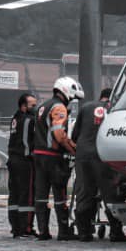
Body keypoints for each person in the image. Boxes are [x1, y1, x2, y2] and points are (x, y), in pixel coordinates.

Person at [72, 87, 126, 242]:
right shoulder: (115, 110)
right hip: (103, 156)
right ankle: (116, 232)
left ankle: (84, 232)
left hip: (83, 156)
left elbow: (74, 135)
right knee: (110, 193)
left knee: (84, 192)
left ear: (101, 96)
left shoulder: (85, 107)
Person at [31, 77, 82, 240]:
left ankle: (43, 231)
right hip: (53, 157)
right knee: (60, 194)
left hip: (38, 155)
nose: (72, 100)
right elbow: (59, 134)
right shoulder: (59, 107)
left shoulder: (43, 106)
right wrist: (73, 149)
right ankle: (63, 231)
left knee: (41, 195)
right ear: (66, 91)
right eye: (72, 97)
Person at [7, 92, 38, 237]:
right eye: (33, 105)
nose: (35, 108)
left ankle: (15, 226)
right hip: (24, 161)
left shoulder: (15, 117)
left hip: (12, 160)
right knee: (26, 195)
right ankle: (26, 228)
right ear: (24, 106)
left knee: (14, 194)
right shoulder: (27, 120)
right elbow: (27, 142)